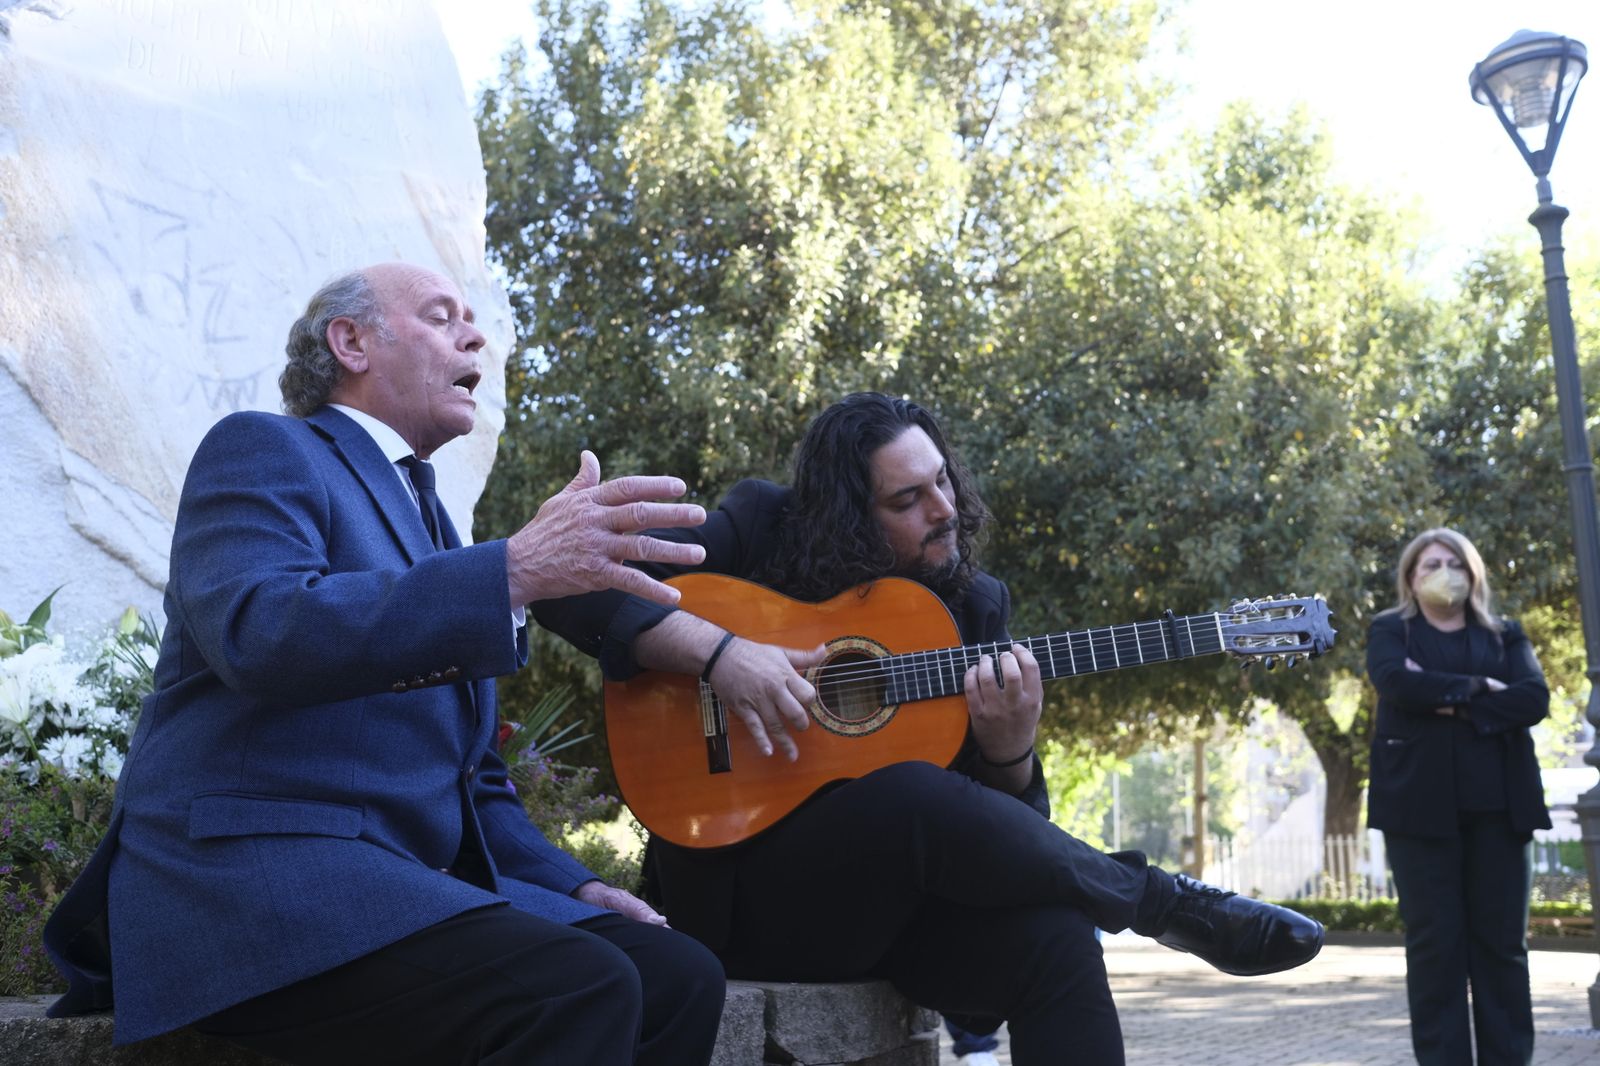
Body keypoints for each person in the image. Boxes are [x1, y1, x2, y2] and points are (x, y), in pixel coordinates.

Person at [42, 263, 728, 1065]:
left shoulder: (433, 522)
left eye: (472, 320)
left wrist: (572, 883)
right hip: (248, 882)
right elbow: (257, 631)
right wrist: (508, 571)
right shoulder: (265, 449)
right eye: (442, 317)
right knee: (578, 985)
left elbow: (473, 776)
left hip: (389, 884)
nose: (475, 336)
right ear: (351, 341)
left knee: (679, 974)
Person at [534, 391, 1325, 1065]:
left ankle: (1153, 905)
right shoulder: (759, 527)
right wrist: (720, 654)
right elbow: (565, 593)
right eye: (906, 500)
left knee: (1058, 938)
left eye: (941, 482)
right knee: (909, 791)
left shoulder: (975, 608)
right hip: (749, 902)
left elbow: (1008, 844)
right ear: (847, 515)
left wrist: (1012, 749)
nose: (942, 509)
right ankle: (1161, 903)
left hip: (894, 918)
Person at [1367, 528, 1551, 1065]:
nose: (1442, 572)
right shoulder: (1389, 631)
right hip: (1417, 813)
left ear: (1473, 574)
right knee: (1435, 950)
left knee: (1502, 951)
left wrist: (1443, 695)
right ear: (1409, 577)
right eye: (1429, 564)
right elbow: (1396, 685)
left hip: (1500, 810)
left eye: (1453, 562)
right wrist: (1482, 689)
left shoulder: (1506, 635)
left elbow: (1533, 699)